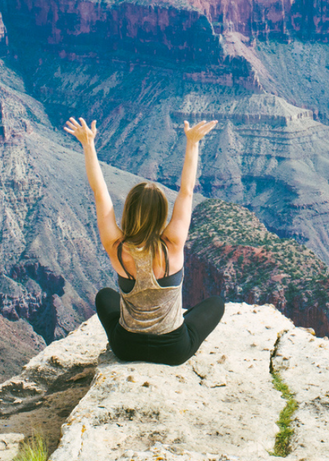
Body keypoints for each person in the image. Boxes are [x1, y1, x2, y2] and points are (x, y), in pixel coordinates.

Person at [64, 115, 224, 366]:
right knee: (215, 304)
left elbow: (100, 193)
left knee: (104, 296)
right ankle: (178, 319)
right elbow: (187, 191)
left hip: (126, 347)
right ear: (162, 214)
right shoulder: (173, 245)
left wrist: (88, 145)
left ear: (128, 210)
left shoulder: (116, 248)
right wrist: (192, 143)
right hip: (173, 350)